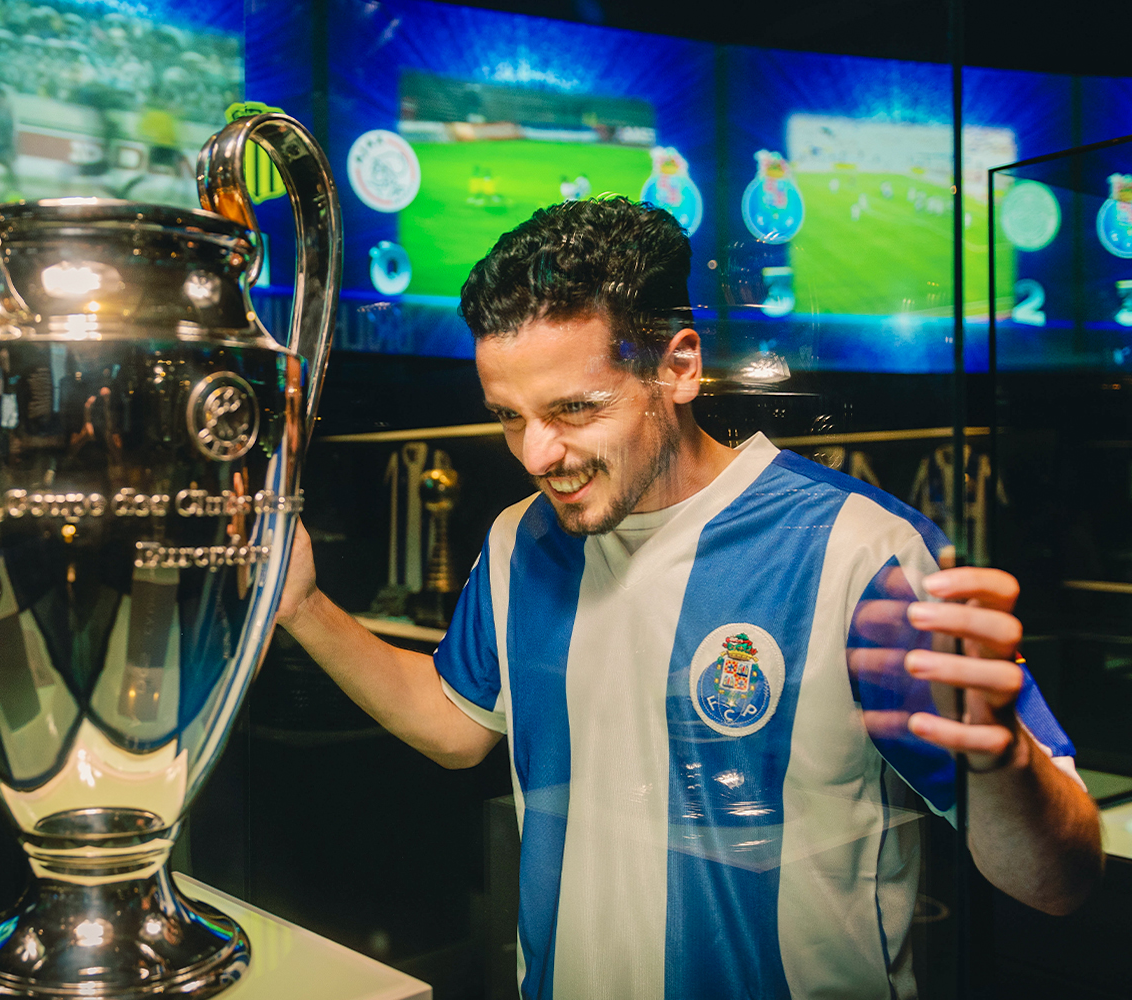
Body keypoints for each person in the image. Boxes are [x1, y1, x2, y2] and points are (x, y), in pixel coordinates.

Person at [273, 197, 1102, 1000]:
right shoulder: (518, 541)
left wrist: (1005, 763)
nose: (536, 453)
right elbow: (456, 727)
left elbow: (1059, 882)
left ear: (678, 368)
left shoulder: (859, 550)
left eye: (574, 409)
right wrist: (303, 605)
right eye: (510, 416)